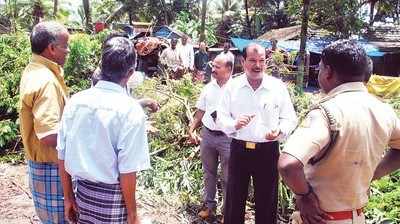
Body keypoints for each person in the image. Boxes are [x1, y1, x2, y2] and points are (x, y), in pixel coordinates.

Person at [278, 40, 400, 224]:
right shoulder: (384, 111)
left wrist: (304, 195)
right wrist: (370, 175)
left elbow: (288, 164)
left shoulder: (327, 113)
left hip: (319, 218)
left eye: (319, 69)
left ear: (328, 72)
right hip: (356, 217)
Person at [57, 36, 151, 224]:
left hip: (81, 194)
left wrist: (68, 197)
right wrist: (133, 215)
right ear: (131, 72)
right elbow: (127, 169)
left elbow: (62, 154)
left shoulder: (76, 101)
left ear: (102, 66)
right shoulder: (130, 110)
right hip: (113, 199)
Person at [217, 43, 298, 224]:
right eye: (252, 60)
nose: (257, 65)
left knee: (267, 201)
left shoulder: (277, 87)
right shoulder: (233, 87)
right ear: (243, 61)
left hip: (268, 151)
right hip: (239, 150)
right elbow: (220, 118)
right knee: (234, 199)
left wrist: (280, 131)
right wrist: (234, 124)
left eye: (261, 60)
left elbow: (290, 119)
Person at [19, 21, 70, 224]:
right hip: (51, 169)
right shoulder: (46, 81)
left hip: (40, 167)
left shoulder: (34, 70)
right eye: (65, 45)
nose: (68, 51)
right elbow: (50, 136)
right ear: (51, 48)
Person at [188, 54, 233, 221]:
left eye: (217, 67)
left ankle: (228, 211)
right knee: (209, 173)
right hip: (207, 135)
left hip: (227, 138)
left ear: (229, 69)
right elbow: (200, 111)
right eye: (213, 66)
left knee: (228, 176)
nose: (213, 70)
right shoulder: (208, 88)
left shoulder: (236, 89)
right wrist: (192, 128)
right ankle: (209, 206)